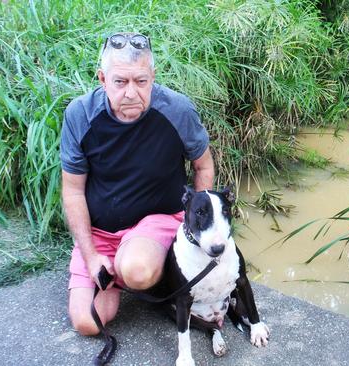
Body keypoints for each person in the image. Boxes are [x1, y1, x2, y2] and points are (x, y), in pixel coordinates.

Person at [59, 32, 215, 335]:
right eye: (120, 82)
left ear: (152, 77)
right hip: (101, 232)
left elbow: (203, 165)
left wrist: (196, 232)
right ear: (103, 79)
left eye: (141, 82)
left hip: (158, 220)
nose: (131, 93)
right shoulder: (80, 115)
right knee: (87, 324)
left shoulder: (177, 110)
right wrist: (91, 256)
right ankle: (114, 269)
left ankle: (160, 271)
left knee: (137, 270)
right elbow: (73, 190)